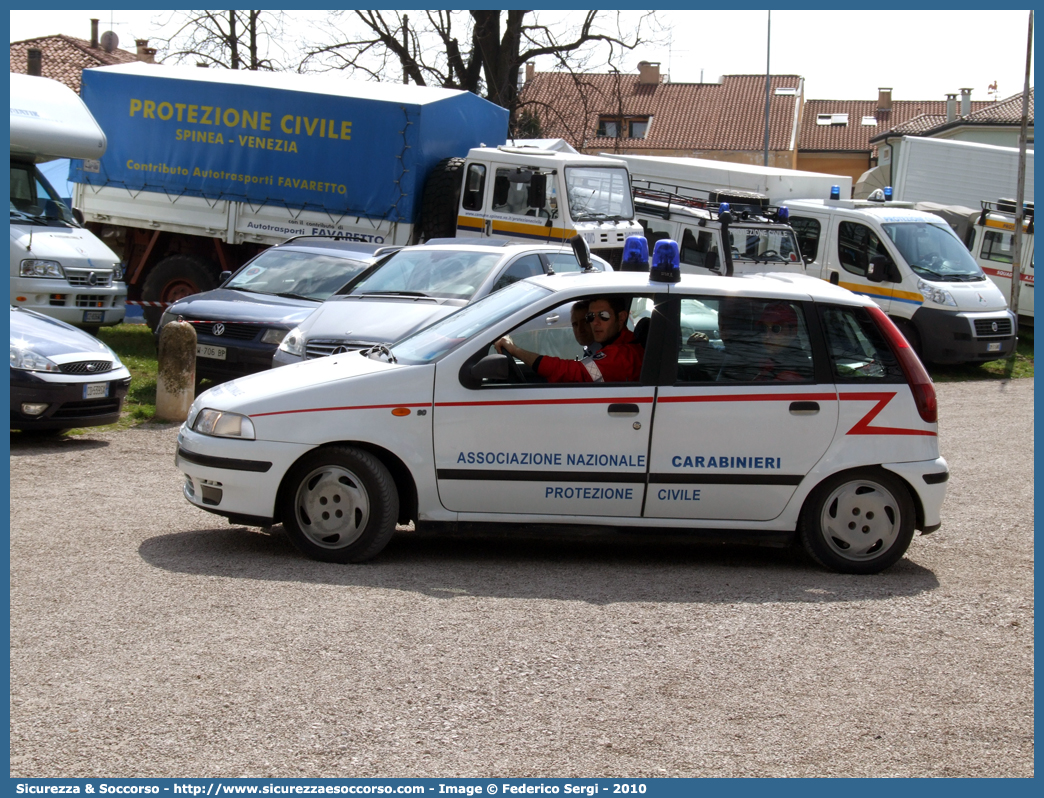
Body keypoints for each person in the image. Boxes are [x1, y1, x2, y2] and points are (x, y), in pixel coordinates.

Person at [496, 295, 643, 383]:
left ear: (622, 317)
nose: (595, 323)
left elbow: (573, 372)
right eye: (591, 317)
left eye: (603, 316)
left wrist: (515, 350)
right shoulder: (616, 346)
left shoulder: (622, 356)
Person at [754, 302, 809, 381]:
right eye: (764, 328)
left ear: (793, 332)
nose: (767, 336)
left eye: (776, 329)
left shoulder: (790, 374)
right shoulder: (765, 361)